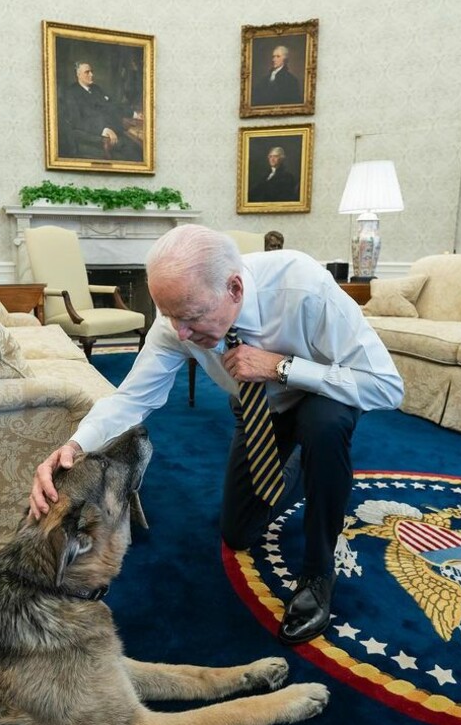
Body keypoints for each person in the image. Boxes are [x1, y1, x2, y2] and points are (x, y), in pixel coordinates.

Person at [30, 224, 403, 646]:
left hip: (324, 395)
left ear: (235, 288)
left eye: (190, 317)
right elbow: (131, 399)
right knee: (239, 532)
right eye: (169, 315)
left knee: (324, 427)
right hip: (259, 409)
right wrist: (75, 446)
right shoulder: (177, 319)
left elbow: (387, 386)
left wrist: (281, 367)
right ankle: (310, 467)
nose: (180, 332)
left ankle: (318, 572)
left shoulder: (305, 287)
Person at [59, 61, 142, 161]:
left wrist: (134, 114)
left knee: (138, 146)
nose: (92, 75)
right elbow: (77, 121)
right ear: (78, 75)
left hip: (116, 131)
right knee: (135, 152)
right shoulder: (71, 94)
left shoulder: (96, 89)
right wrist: (103, 129)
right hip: (97, 138)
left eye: (92, 71)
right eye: (87, 72)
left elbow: (113, 105)